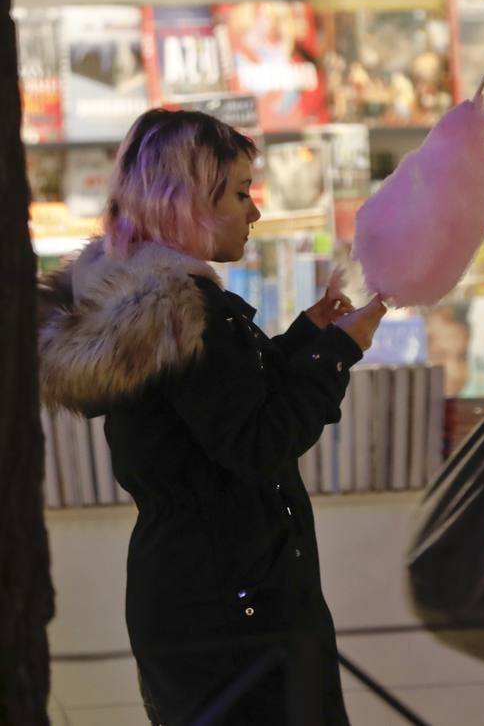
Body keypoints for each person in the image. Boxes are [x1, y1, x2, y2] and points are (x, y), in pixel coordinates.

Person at [37, 109, 387, 725]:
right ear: (185, 202)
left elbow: (220, 404)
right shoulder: (181, 311)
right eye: (238, 192)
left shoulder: (150, 301)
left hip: (202, 593)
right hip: (233, 607)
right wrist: (337, 352)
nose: (254, 211)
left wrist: (308, 337)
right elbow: (256, 442)